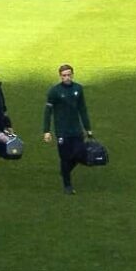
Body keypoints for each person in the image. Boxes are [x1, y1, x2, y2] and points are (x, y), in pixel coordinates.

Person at [43, 63, 93, 194]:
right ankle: (68, 186)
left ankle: (65, 171)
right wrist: (46, 131)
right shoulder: (54, 91)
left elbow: (82, 109)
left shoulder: (78, 89)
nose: (67, 78)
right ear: (60, 76)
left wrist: (88, 128)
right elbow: (48, 112)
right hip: (62, 131)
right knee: (65, 158)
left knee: (81, 154)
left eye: (69, 75)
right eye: (64, 75)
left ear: (72, 75)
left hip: (76, 130)